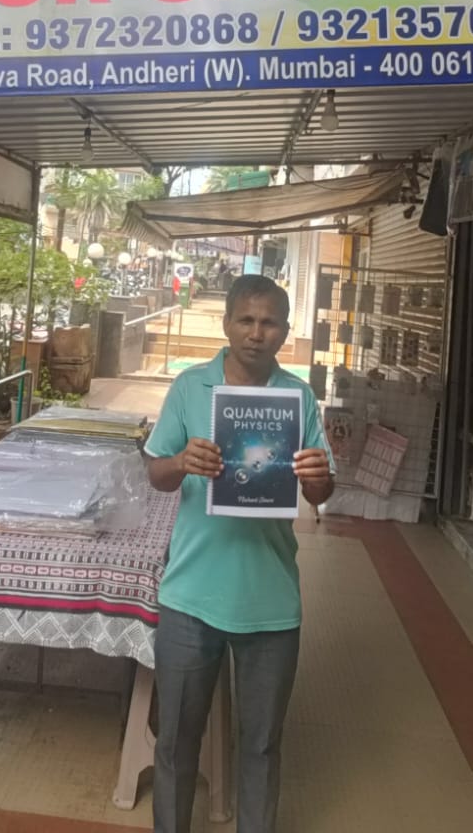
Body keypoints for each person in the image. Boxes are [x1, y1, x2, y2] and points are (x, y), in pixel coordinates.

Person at [142, 274, 335, 833]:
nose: (256, 333)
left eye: (268, 322)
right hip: (190, 596)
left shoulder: (297, 397)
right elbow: (156, 473)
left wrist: (319, 477)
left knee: (261, 745)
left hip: (270, 601)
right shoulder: (189, 388)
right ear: (226, 324)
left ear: (285, 332)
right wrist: (181, 462)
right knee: (176, 742)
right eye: (245, 320)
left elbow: (319, 493)